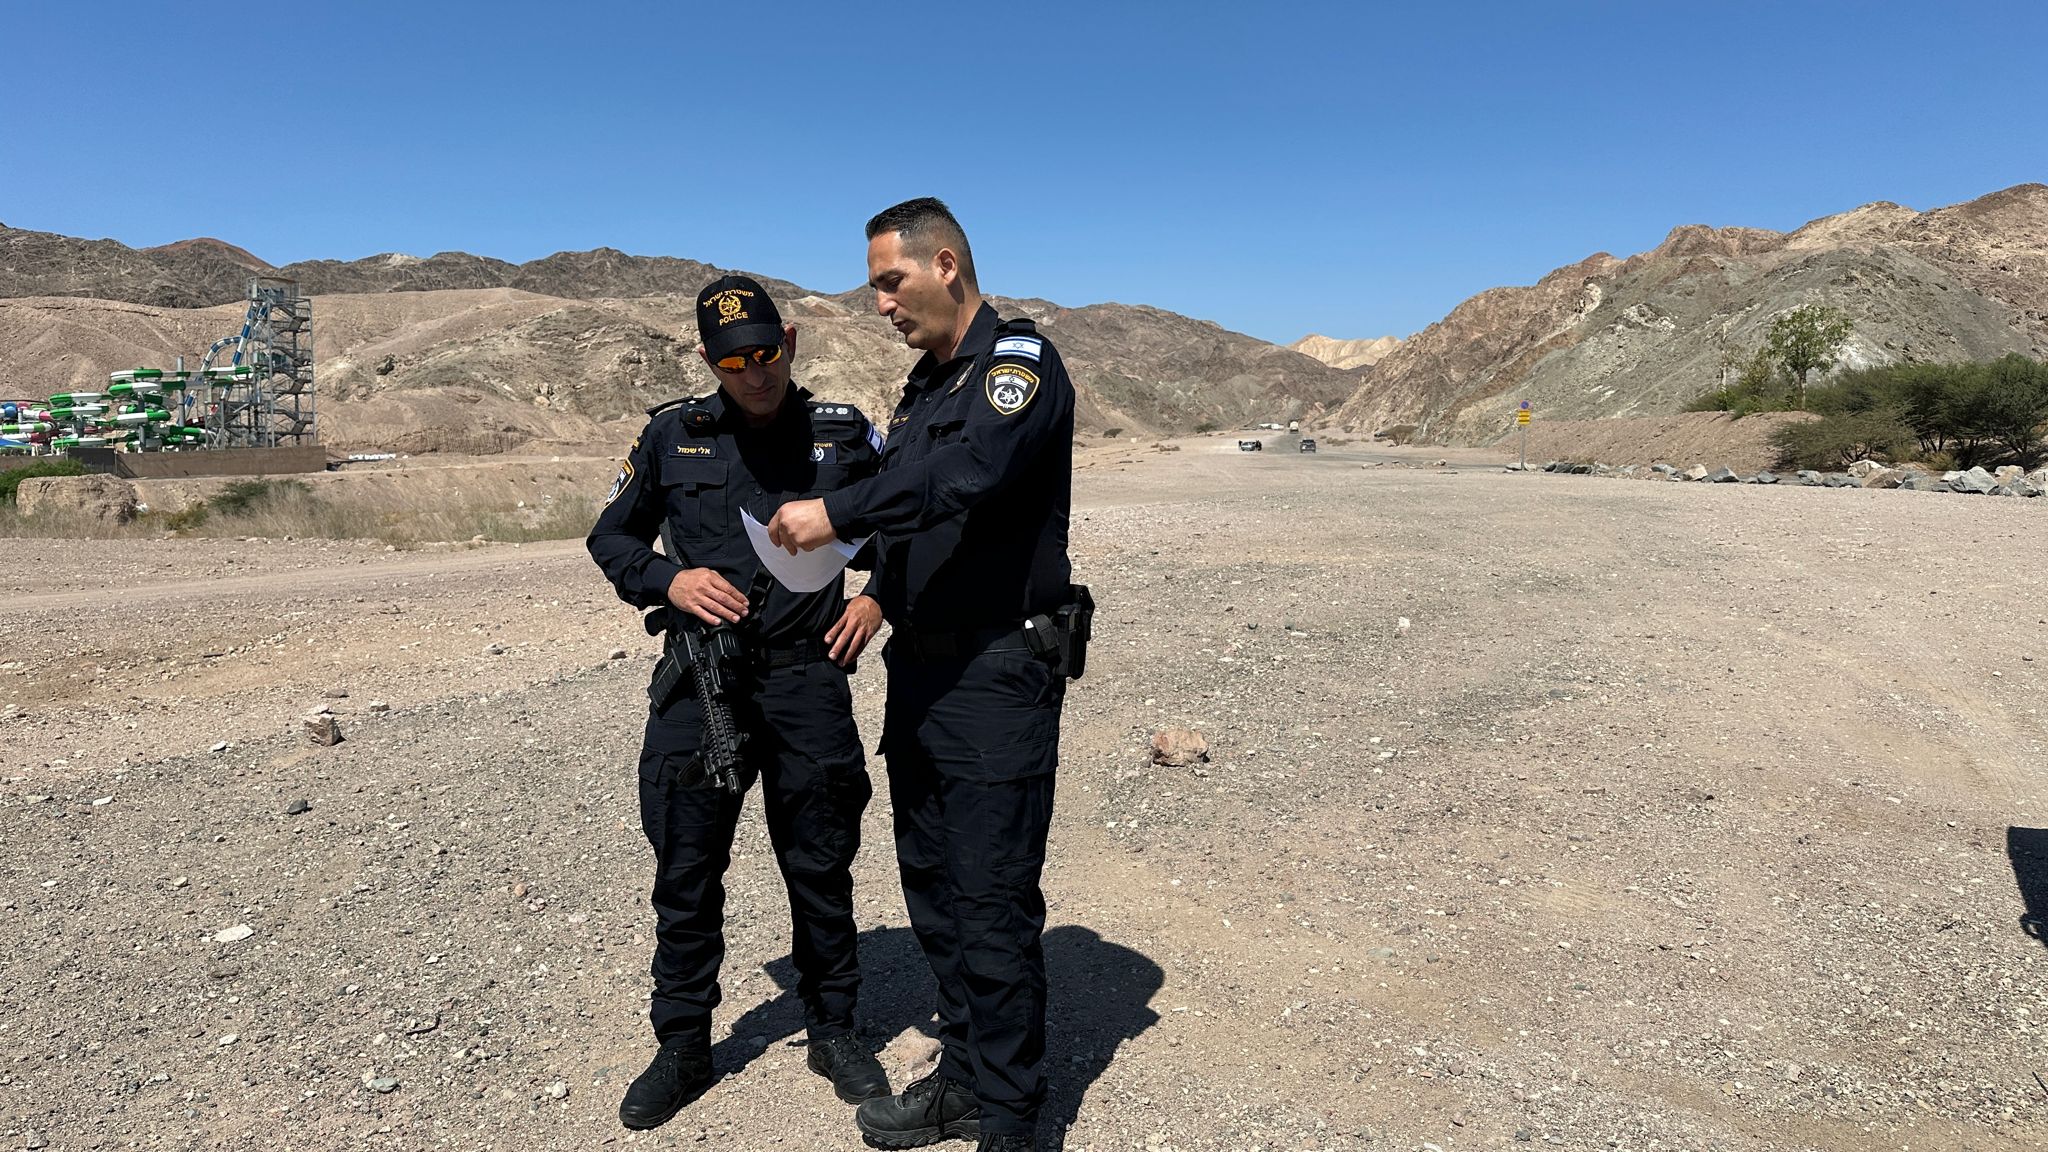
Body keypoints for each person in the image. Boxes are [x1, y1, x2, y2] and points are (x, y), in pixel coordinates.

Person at [767, 199, 1079, 1152]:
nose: (881, 304)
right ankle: (968, 1082)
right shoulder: (923, 388)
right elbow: (924, 525)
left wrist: (838, 513)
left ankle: (1012, 1123)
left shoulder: (1018, 368)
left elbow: (968, 476)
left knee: (990, 901)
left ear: (945, 264)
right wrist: (877, 593)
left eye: (890, 282)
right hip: (922, 673)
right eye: (875, 288)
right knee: (935, 889)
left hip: (995, 673)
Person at [588, 274, 892, 1130]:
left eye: (764, 353)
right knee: (686, 869)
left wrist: (878, 599)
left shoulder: (842, 435)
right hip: (702, 680)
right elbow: (611, 535)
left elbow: (908, 527)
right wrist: (669, 579)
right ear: (707, 360)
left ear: (788, 342)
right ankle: (683, 1044)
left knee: (820, 862)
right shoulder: (672, 435)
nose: (753, 373)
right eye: (732, 362)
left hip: (806, 678)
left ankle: (833, 1030)